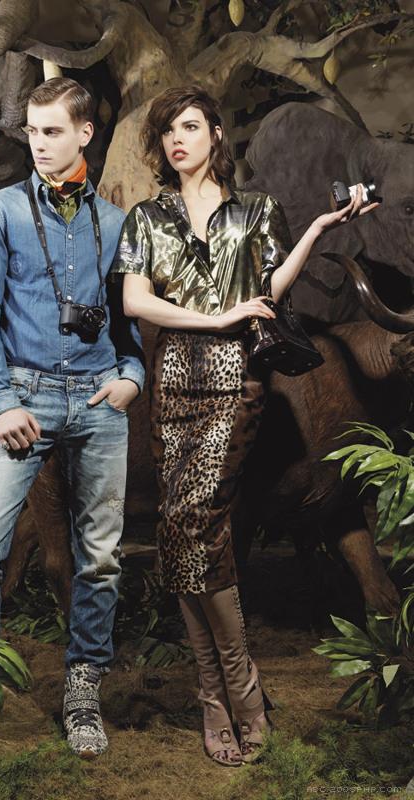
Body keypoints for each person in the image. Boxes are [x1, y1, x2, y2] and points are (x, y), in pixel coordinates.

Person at [110, 85, 377, 766]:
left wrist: (317, 229)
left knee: (194, 521)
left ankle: (237, 691)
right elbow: (137, 300)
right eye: (168, 131)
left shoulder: (256, 211)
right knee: (182, 531)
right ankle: (218, 692)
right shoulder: (146, 216)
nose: (177, 140)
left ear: (216, 134)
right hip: (173, 380)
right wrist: (215, 316)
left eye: (189, 126)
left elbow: (271, 289)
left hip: (237, 380)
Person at [0, 77, 144, 759]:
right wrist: (2, 401)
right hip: (23, 398)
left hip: (100, 400)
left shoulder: (116, 223)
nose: (39, 145)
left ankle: (83, 694)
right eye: (32, 132)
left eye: (52, 132)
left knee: (100, 559)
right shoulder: (3, 211)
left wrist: (132, 378)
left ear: (85, 134)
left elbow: (128, 328)